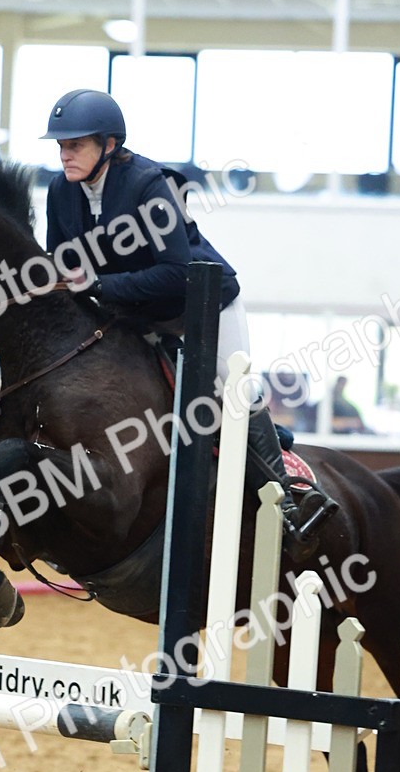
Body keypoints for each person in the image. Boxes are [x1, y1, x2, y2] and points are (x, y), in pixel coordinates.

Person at [41, 87, 338, 552]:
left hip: (200, 306)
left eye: (75, 144)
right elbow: (63, 263)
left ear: (110, 145)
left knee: (234, 387)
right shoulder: (61, 192)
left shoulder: (149, 185)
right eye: (61, 146)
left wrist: (97, 286)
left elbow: (176, 273)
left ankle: (286, 504)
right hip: (135, 314)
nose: (65, 154)